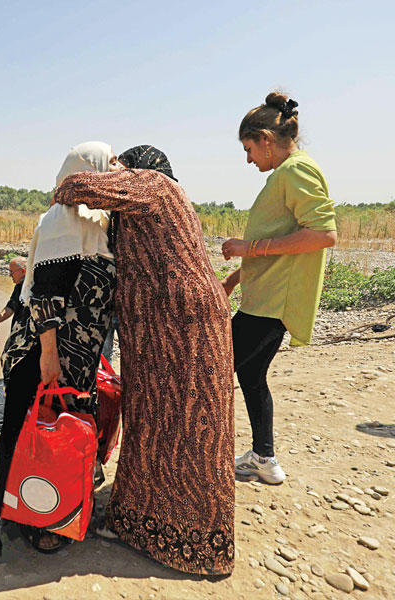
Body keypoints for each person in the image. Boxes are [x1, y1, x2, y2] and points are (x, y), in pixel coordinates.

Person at [52, 145, 235, 576]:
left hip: (184, 328)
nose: (118, 171)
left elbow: (74, 185)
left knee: (192, 426)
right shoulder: (147, 206)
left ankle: (199, 542)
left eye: (122, 165)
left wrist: (108, 170)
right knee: (154, 422)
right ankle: (143, 525)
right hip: (162, 332)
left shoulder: (156, 186)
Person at [0, 142, 118, 566]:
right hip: (43, 353)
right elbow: (45, 294)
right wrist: (50, 353)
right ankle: (4, 525)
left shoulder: (98, 219)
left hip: (74, 355)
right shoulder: (63, 220)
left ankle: (48, 510)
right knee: (22, 434)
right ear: (85, 168)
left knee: (56, 433)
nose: (117, 167)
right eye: (109, 161)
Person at [222, 93, 336, 485]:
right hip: (263, 297)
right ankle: (264, 459)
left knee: (216, 368)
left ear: (267, 139)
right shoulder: (286, 174)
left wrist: (246, 248)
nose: (249, 158)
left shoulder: (295, 172)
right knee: (250, 375)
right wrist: (234, 280)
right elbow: (282, 239)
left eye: (249, 148)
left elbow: (323, 234)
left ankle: (204, 454)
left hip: (273, 304)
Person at [0, 256, 27, 334]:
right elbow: (11, 307)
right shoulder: (19, 286)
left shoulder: (36, 288)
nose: (10, 275)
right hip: (18, 333)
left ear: (23, 271)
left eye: (12, 272)